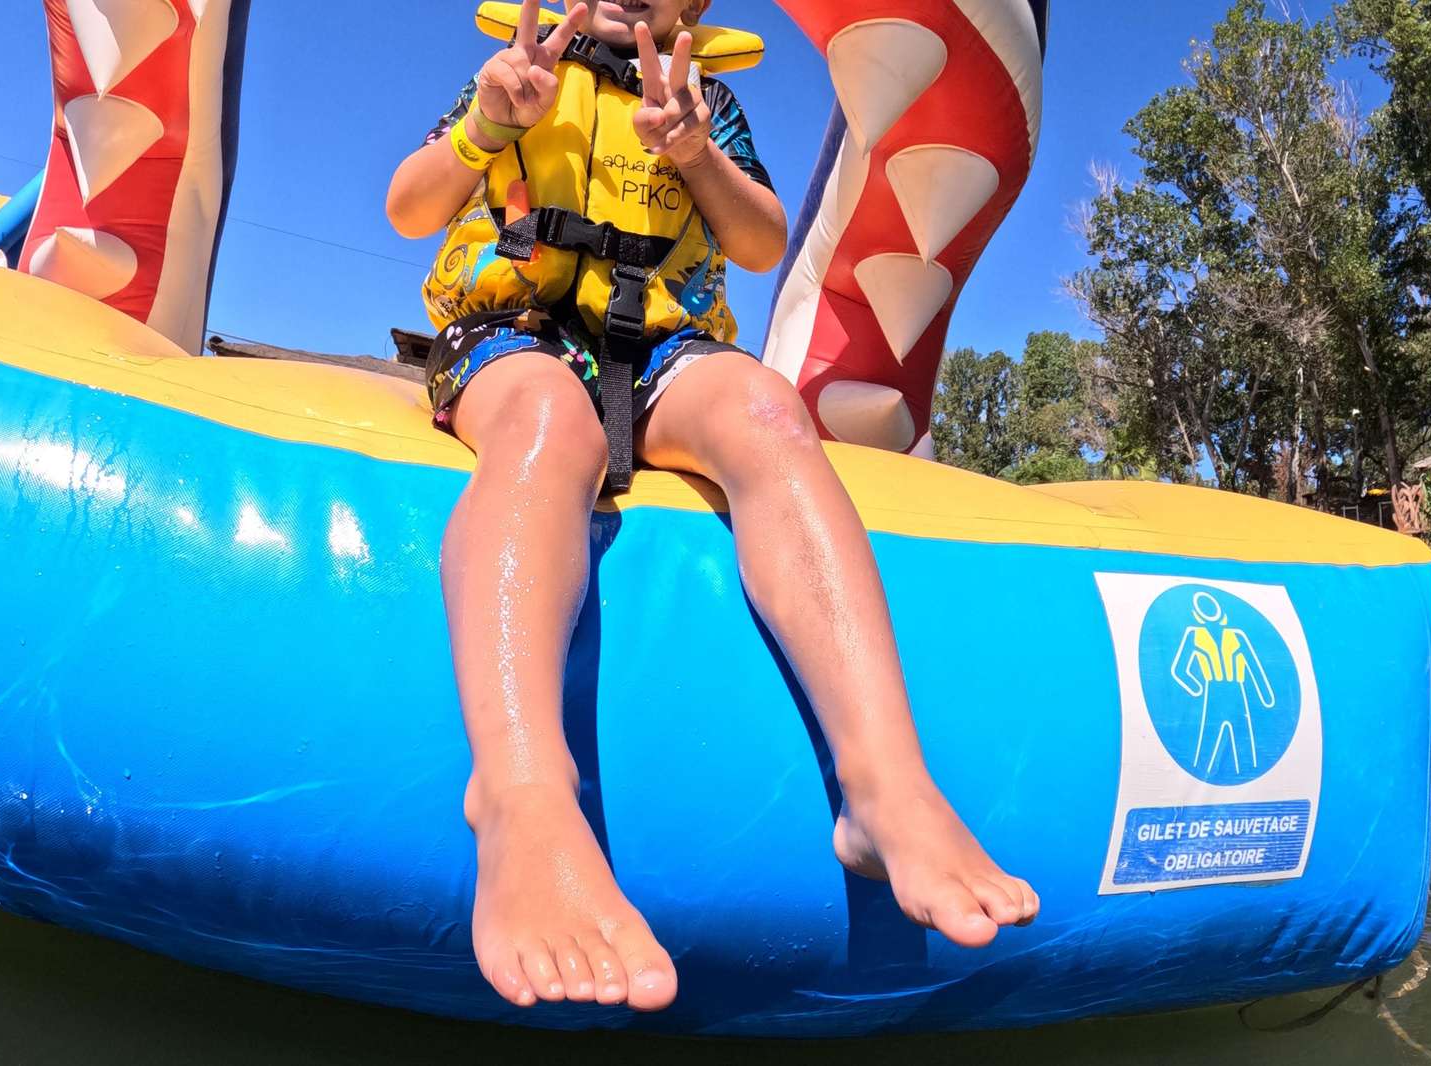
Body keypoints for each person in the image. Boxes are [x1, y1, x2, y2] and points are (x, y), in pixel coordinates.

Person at [385, 0, 1038, 1014]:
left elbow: (761, 238)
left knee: (771, 413)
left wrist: (693, 149)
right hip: (512, 338)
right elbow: (411, 208)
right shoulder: (514, 73)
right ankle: (519, 796)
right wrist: (491, 124)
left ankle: (885, 784)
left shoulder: (705, 101)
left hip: (662, 353)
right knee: (552, 427)